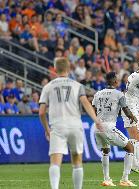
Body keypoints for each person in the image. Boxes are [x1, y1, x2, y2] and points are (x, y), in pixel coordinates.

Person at [39, 57, 101, 189]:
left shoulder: (48, 87)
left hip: (57, 126)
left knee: (55, 162)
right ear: (68, 69)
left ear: (55, 69)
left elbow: (41, 112)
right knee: (77, 161)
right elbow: (85, 103)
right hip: (75, 126)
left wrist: (47, 129)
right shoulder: (77, 86)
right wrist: (96, 120)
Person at [92, 72, 138, 187]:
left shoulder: (98, 94)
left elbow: (92, 109)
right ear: (114, 81)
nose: (118, 81)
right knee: (130, 148)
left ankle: (107, 179)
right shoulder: (119, 94)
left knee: (105, 151)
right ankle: (124, 179)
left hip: (97, 126)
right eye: (117, 79)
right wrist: (132, 117)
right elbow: (126, 110)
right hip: (108, 126)